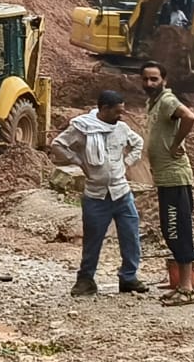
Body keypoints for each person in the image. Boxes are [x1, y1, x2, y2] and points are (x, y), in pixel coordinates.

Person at [50, 90, 148, 296]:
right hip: (96, 196)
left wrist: (127, 162)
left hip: (122, 193)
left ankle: (129, 278)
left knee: (130, 236)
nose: (120, 116)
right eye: (117, 111)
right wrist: (78, 161)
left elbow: (138, 143)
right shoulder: (83, 127)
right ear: (104, 109)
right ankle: (85, 280)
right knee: (92, 241)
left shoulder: (121, 128)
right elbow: (58, 144)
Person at [142, 60, 194, 306]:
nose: (149, 83)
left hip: (175, 177)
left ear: (164, 80)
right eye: (145, 79)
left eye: (154, 79)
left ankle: (186, 289)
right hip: (165, 179)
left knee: (177, 230)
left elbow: (189, 117)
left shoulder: (166, 100)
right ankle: (181, 285)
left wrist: (176, 145)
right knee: (170, 230)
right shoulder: (153, 103)